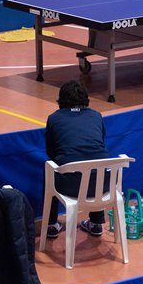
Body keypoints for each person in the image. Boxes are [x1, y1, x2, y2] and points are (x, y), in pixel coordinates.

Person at [44, 81, 111, 239]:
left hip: (71, 186)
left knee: (49, 170)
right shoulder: (96, 116)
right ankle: (96, 223)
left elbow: (51, 153)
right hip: (104, 185)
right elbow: (100, 144)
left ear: (61, 99)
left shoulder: (54, 118)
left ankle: (51, 224)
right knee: (96, 165)